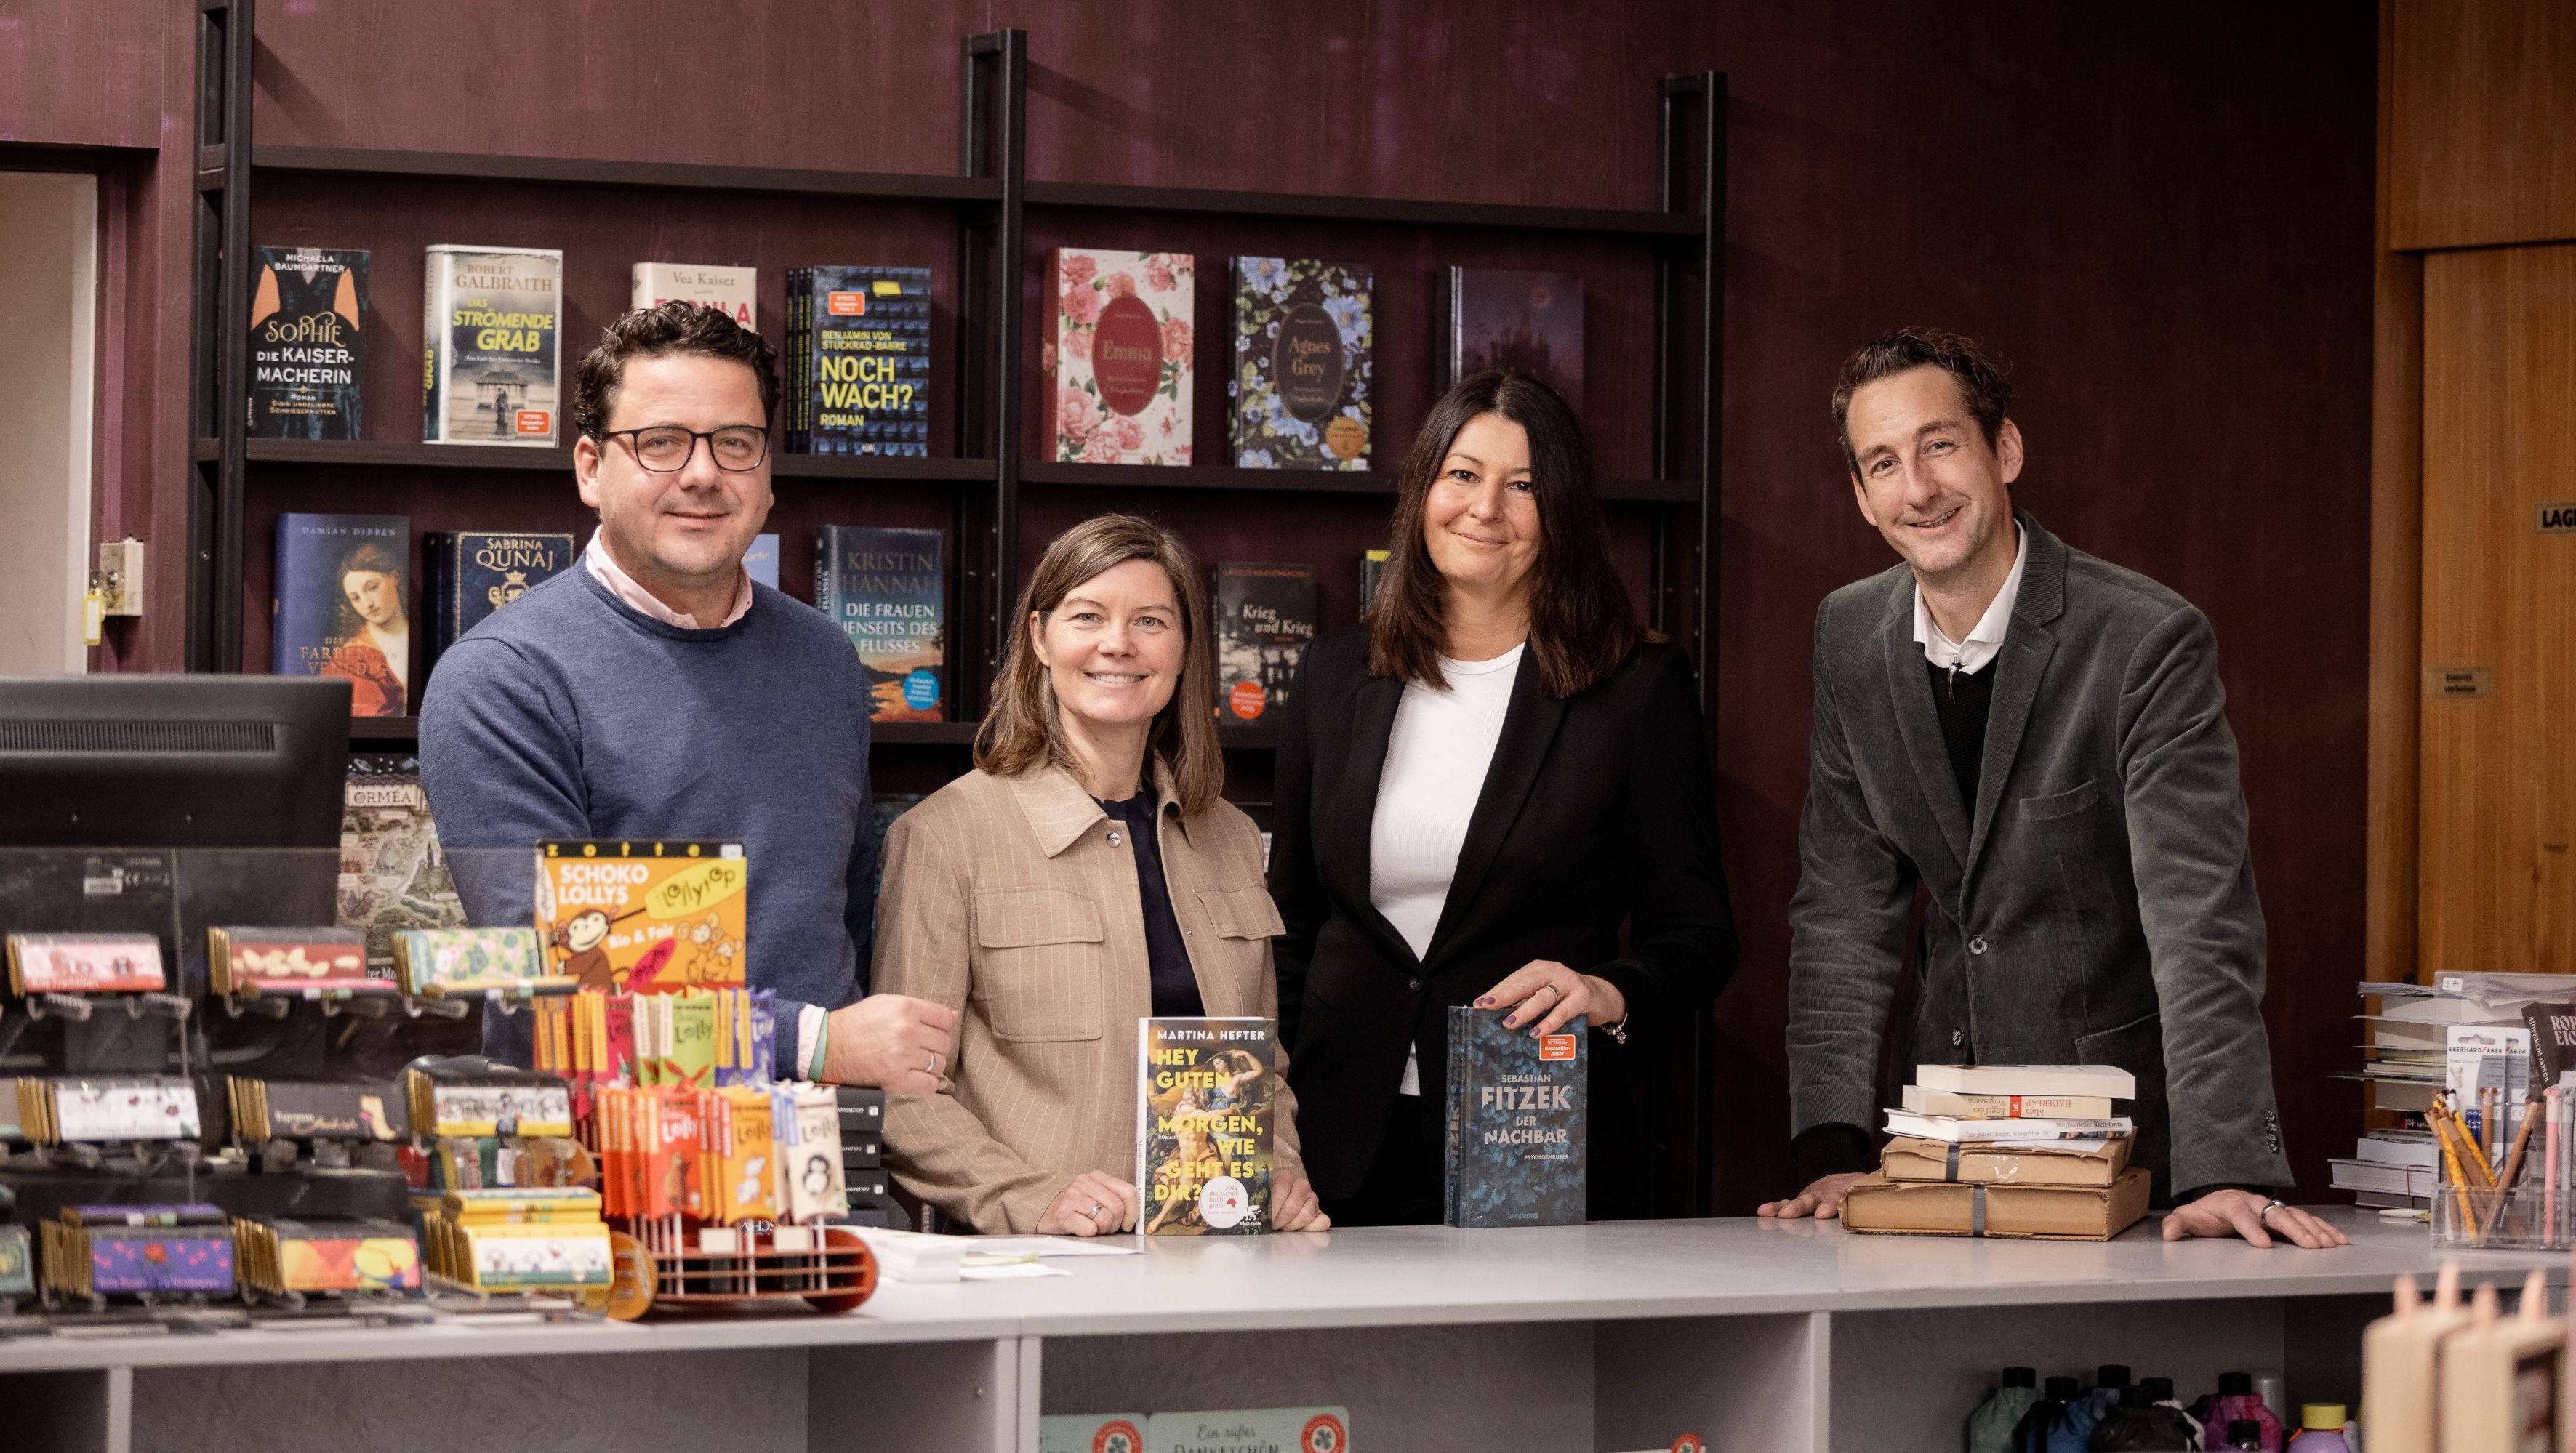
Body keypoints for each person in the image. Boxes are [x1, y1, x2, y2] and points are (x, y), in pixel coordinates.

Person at [1757, 327, 2344, 1249]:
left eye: (1940, 444)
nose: (1919, 487)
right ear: (1864, 497)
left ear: (2006, 450)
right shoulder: (1849, 635)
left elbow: (2199, 921)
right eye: (1885, 463)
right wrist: (1831, 1148)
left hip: (2122, 1159)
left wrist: (2226, 1167)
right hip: (1937, 1149)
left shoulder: (2144, 640)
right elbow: (1843, 907)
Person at [419, 302, 952, 1092]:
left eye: (735, 443)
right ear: (591, 469)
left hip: (826, 1141)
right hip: (611, 1146)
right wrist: (813, 1042)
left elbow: (840, 925)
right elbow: (553, 987)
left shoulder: (826, 659)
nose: (703, 474)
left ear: (766, 473)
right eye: (661, 442)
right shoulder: (503, 678)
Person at [1270, 369, 1738, 1225]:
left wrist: (1608, 991)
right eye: (1463, 474)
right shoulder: (1334, 673)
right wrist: (1274, 1128)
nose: (1485, 507)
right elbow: (1293, 926)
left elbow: (1698, 935)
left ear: (1562, 512)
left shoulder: (1636, 688)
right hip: (1335, 1138)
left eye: (1523, 485)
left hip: (1532, 1136)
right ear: (1423, 490)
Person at [873, 515, 1328, 1236]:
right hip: (1040, 1263)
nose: (1118, 643)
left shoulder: (1234, 839)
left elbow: (1259, 1065)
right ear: (1039, 637)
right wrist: (1028, 1196)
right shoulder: (945, 835)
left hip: (1219, 1251)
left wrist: (1282, 1170)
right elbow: (904, 1090)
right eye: (1087, 616)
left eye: (1150, 620)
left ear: (1184, 649)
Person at [324, 540, 409, 716]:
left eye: (372, 588)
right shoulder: (348, 659)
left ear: (394, 577)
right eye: (355, 598)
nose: (367, 603)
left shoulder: (425, 635)